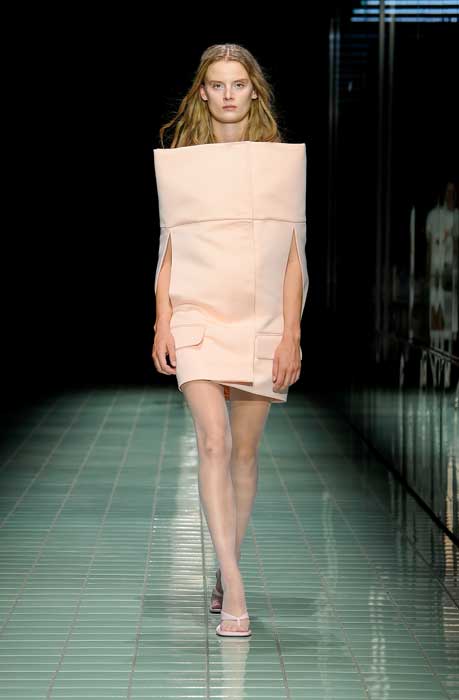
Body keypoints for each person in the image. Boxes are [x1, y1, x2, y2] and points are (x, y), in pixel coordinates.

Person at [151, 43, 309, 637]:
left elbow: (293, 255)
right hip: (196, 315)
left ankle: (225, 566)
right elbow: (168, 246)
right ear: (203, 92)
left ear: (253, 91)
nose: (227, 95)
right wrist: (162, 320)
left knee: (243, 453)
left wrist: (292, 333)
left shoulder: (280, 164)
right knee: (213, 442)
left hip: (259, 318)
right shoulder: (182, 164)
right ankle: (236, 587)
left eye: (237, 84)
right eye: (216, 85)